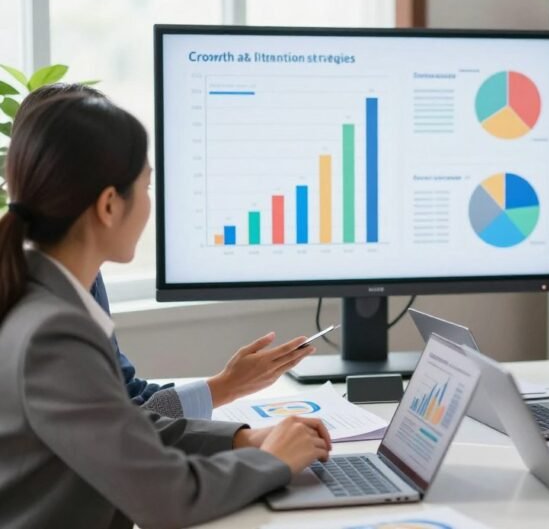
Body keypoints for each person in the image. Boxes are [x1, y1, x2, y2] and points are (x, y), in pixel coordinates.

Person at [0, 92, 331, 528]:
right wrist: (273, 462)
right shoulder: (53, 332)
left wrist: (242, 440)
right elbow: (166, 500)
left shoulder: (41, 298)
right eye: (147, 185)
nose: (151, 203)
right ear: (109, 205)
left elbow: (123, 428)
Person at [13, 83, 313, 420]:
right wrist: (235, 411)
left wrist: (229, 395)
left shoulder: (68, 275)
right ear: (108, 203)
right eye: (147, 185)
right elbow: (125, 430)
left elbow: (127, 402)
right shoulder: (52, 323)